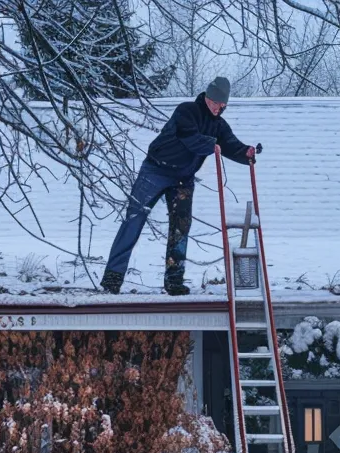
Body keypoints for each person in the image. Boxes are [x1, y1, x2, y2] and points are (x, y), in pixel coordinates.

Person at [100, 76, 258, 295]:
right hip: (155, 170)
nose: (216, 107)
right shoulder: (187, 111)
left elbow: (231, 144)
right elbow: (189, 138)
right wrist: (212, 144)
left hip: (183, 178)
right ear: (206, 97)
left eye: (220, 105)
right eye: (213, 102)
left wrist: (246, 153)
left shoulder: (219, 126)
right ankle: (112, 278)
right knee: (133, 221)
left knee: (181, 226)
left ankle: (174, 280)